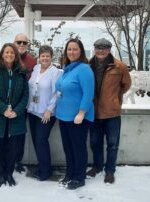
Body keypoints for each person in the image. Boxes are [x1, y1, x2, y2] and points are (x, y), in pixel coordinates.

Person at [0, 43, 29, 187]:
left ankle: (9, 173)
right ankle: (0, 174)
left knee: (13, 147)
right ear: (2, 54)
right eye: (6, 52)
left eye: (12, 53)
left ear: (16, 56)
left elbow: (25, 96)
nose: (9, 55)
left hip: (16, 116)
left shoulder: (21, 71)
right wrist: (3, 109)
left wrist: (16, 111)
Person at [86, 38, 131, 184]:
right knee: (94, 143)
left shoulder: (119, 66)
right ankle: (97, 166)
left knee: (112, 144)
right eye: (98, 47)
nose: (101, 50)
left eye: (104, 48)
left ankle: (110, 171)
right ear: (94, 49)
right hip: (94, 112)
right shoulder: (87, 65)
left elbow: (126, 85)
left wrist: (114, 99)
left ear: (109, 49)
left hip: (112, 113)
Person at [55, 38, 95, 190]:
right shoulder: (67, 68)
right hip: (63, 115)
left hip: (77, 117)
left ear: (81, 51)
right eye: (69, 49)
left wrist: (82, 112)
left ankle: (79, 177)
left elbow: (88, 93)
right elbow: (61, 88)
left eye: (75, 49)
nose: (72, 52)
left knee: (78, 147)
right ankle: (70, 173)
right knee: (68, 147)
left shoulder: (84, 69)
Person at [27, 45, 62, 181]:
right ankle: (42, 166)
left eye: (48, 56)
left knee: (41, 140)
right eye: (43, 56)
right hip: (33, 110)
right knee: (36, 140)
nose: (45, 58)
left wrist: (49, 110)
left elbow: (57, 93)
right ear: (39, 57)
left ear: (51, 57)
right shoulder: (36, 69)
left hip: (46, 113)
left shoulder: (55, 72)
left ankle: (46, 171)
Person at [13, 33, 36, 173]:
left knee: (20, 134)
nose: (21, 45)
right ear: (14, 43)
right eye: (19, 42)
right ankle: (7, 160)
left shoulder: (32, 61)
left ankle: (17, 161)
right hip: (8, 106)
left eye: (24, 43)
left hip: (25, 106)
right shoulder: (6, 56)